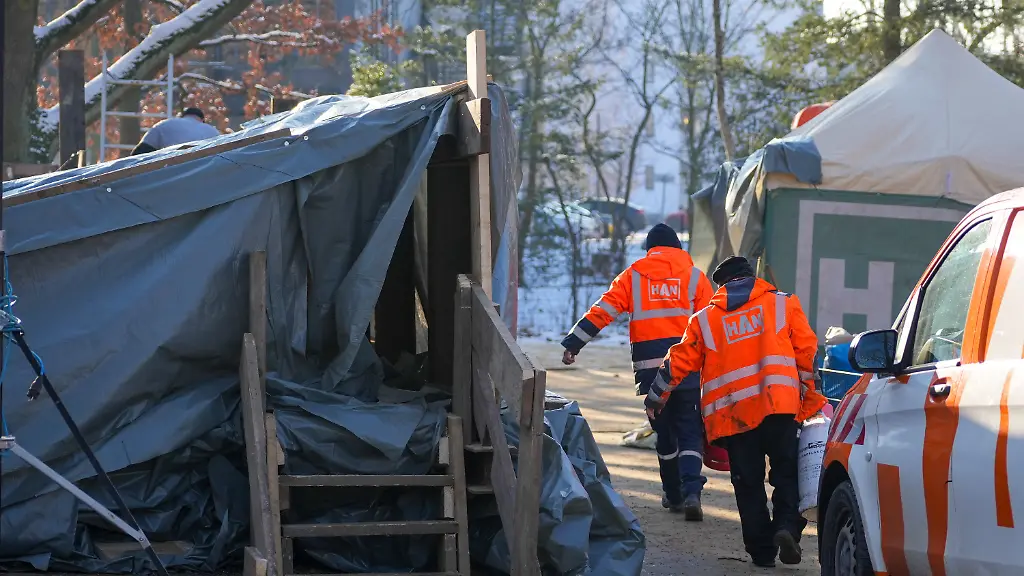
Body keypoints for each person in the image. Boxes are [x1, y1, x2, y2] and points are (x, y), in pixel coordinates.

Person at [644, 255, 826, 568]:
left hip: (734, 415)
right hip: (780, 407)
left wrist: (655, 397)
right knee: (788, 472)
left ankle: (762, 552)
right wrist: (812, 399)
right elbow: (807, 354)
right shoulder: (783, 304)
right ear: (751, 278)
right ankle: (786, 527)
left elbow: (678, 361)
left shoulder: (705, 319)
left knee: (748, 483)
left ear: (721, 286)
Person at [561, 223, 713, 519]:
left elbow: (603, 310)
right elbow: (711, 322)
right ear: (678, 248)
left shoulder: (633, 276)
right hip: (687, 368)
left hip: (650, 371)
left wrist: (574, 343)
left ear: (649, 250)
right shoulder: (695, 277)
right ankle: (692, 492)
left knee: (664, 433)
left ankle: (673, 494)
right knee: (690, 430)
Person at [130, 107, 220, 155]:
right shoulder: (213, 131)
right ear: (202, 120)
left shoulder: (164, 124)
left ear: (182, 116)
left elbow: (140, 152)